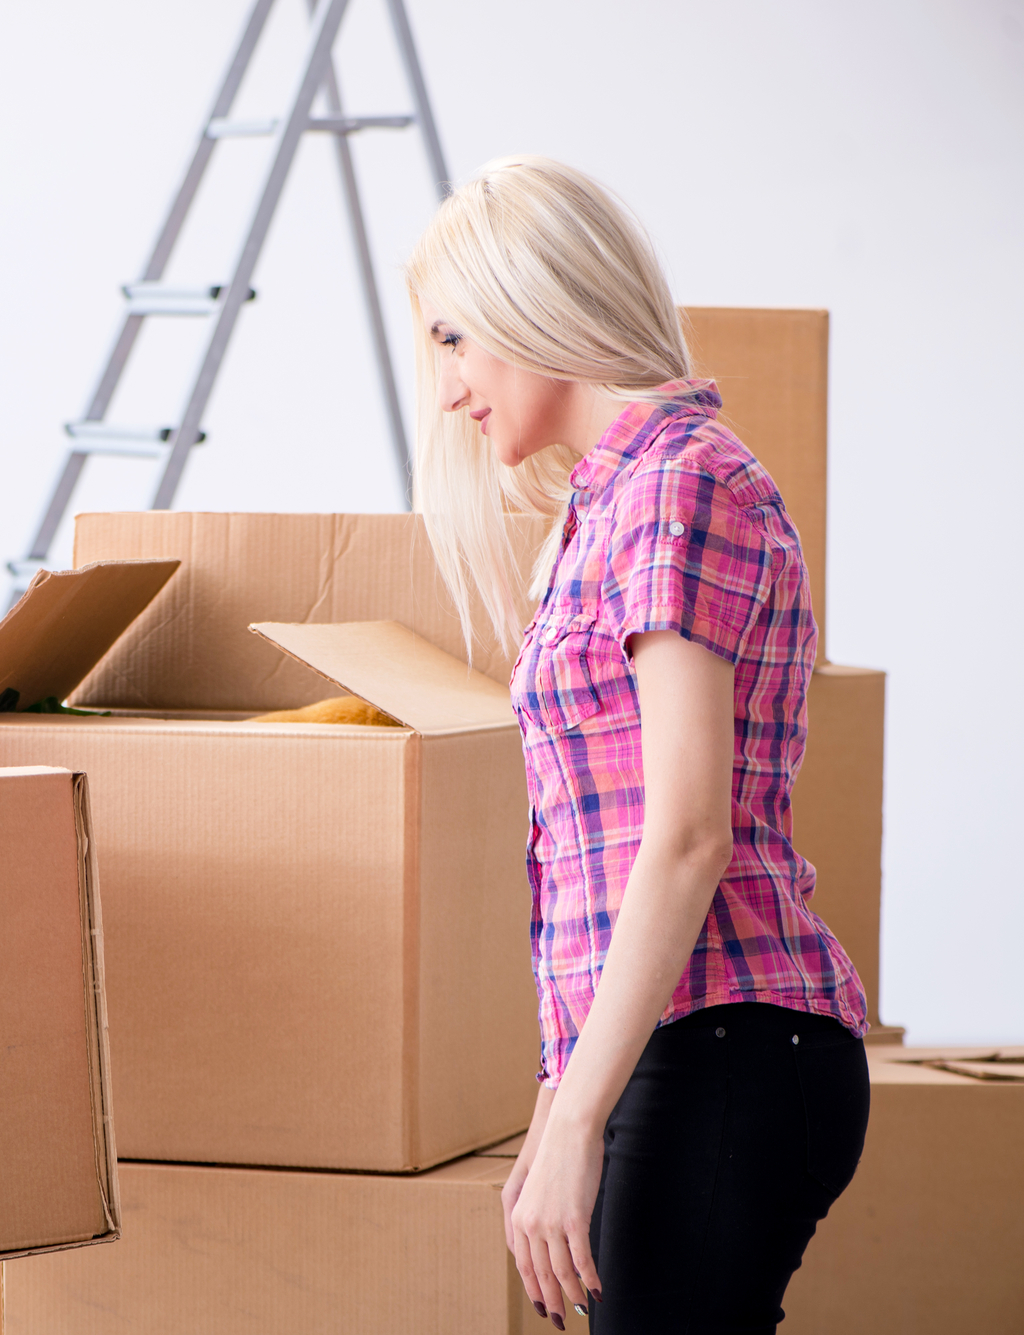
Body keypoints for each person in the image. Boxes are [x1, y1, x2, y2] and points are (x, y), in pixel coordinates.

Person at [404, 156, 870, 1334]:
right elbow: (603, 863)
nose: (447, 384)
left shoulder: (677, 486)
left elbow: (682, 837)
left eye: (455, 338)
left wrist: (571, 1124)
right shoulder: (605, 505)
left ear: (532, 299)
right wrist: (562, 1097)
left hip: (723, 1043)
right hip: (675, 1046)